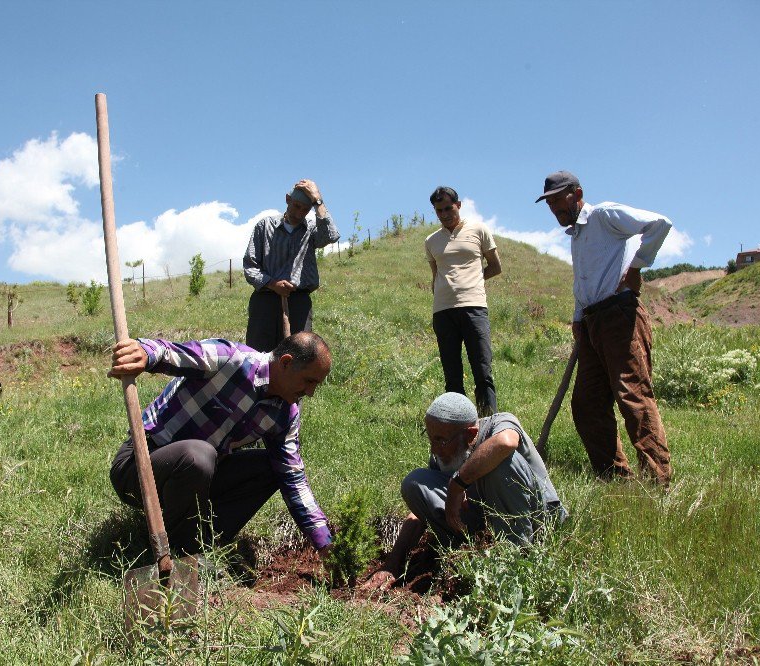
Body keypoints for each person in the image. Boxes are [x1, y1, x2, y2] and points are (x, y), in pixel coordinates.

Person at [107, 331, 334, 557]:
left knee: (270, 469)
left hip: (198, 476)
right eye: (309, 381)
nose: (311, 392)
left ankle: (206, 538)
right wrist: (145, 352)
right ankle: (184, 550)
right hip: (140, 468)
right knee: (199, 455)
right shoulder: (230, 359)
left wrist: (322, 540)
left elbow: (293, 477)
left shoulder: (284, 415)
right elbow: (173, 353)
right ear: (286, 363)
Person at [535, 170, 673, 485]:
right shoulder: (577, 236)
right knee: (587, 404)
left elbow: (659, 224)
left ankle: (659, 482)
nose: (554, 208)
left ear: (577, 193)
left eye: (559, 199)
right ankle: (616, 479)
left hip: (619, 316)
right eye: (549, 203)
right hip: (592, 323)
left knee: (632, 397)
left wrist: (637, 266)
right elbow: (584, 280)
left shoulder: (604, 215)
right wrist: (578, 318)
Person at [361, 393, 566, 591]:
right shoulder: (444, 455)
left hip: (539, 521)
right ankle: (468, 556)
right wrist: (392, 563)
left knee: (502, 461)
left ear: (471, 434)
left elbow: (506, 443)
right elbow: (420, 514)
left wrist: (457, 484)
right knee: (415, 483)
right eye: (430, 438)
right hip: (487, 521)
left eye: (441, 440)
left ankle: (515, 561)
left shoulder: (500, 423)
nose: (434, 449)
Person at [425, 186, 502, 416]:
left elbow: (496, 267)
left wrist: (475, 280)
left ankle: (488, 421)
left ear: (459, 205)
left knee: (482, 370)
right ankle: (458, 424)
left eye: (449, 208)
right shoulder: (431, 241)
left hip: (474, 308)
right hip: (443, 311)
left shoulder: (479, 230)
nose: (445, 214)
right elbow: (435, 275)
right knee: (452, 375)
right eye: (439, 210)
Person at [243, 179, 340, 352]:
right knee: (258, 355)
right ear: (287, 199)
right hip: (265, 300)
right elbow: (251, 266)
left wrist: (318, 201)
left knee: (298, 355)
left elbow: (331, 236)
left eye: (305, 209)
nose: (300, 212)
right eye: (296, 206)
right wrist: (273, 284)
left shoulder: (311, 230)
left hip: (298, 302)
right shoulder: (265, 226)